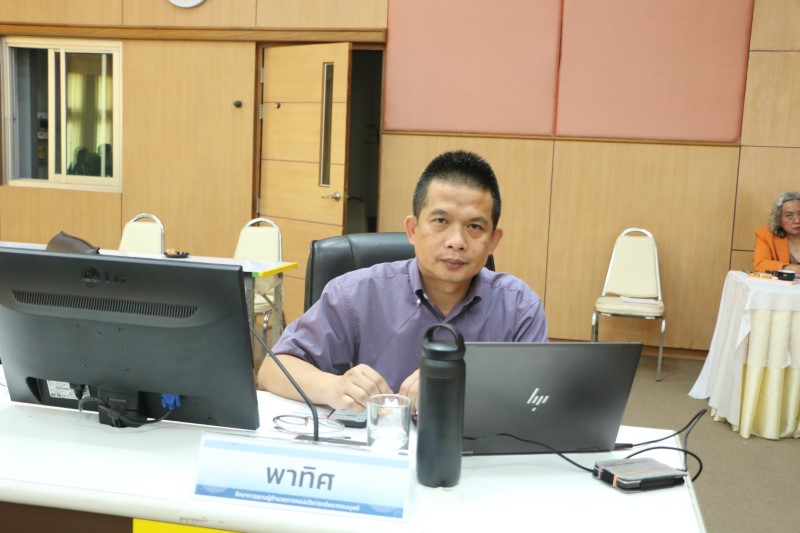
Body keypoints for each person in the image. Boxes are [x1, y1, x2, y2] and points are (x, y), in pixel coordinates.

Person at [257, 150, 548, 411]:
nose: (457, 241)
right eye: (441, 221)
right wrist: (333, 387)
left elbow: (540, 396)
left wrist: (461, 389)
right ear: (412, 229)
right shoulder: (355, 294)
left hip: (476, 451)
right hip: (376, 447)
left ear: (493, 240)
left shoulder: (519, 308)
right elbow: (272, 369)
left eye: (474, 226)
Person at [754, 191, 800, 273]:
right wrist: (791, 268)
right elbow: (760, 264)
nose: (797, 220)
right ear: (778, 218)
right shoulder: (766, 235)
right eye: (789, 215)